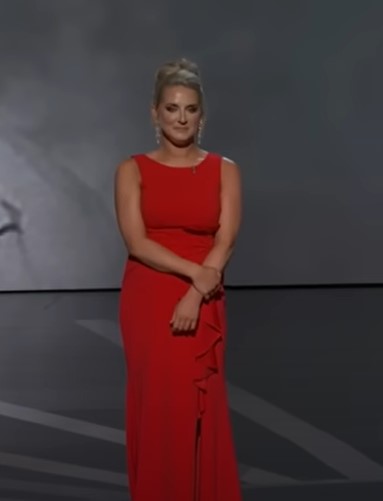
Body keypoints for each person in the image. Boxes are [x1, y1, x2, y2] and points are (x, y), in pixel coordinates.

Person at [114, 58, 243, 501]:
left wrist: (197, 292)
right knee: (158, 406)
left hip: (204, 300)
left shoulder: (224, 169)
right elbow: (137, 242)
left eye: (190, 109)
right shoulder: (131, 170)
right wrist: (197, 276)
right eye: (171, 109)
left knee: (200, 405)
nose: (181, 118)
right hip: (151, 298)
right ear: (155, 113)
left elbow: (225, 239)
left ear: (201, 115)